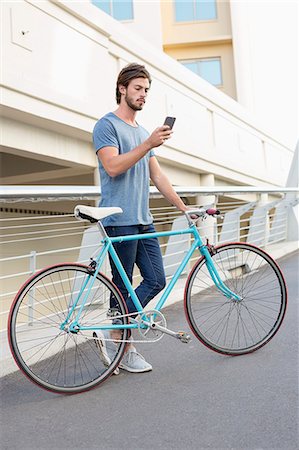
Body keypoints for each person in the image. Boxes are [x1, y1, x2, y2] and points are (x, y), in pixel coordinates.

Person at [92, 63, 189, 373]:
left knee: (157, 279)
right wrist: (148, 144)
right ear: (122, 89)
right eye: (137, 88)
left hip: (143, 219)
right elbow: (113, 167)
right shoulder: (106, 126)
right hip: (119, 220)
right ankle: (125, 346)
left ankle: (113, 332)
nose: (143, 94)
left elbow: (156, 175)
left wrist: (183, 208)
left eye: (146, 90)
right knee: (122, 288)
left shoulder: (142, 132)